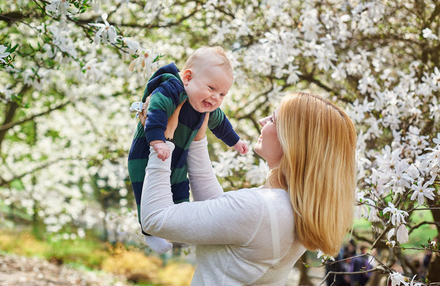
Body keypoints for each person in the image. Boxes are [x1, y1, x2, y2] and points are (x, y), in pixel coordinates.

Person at [140, 92, 357, 285]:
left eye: (273, 119)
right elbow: (221, 214)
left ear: (291, 140)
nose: (262, 121)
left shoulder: (260, 208)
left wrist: (163, 141)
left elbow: (155, 219)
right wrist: (198, 141)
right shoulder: (297, 209)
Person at [128, 46, 248, 253]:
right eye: (211, 88)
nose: (215, 98)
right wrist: (157, 141)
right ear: (188, 78)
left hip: (178, 158)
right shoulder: (173, 89)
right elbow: (155, 109)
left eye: (222, 94)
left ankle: (175, 230)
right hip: (146, 154)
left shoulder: (204, 108)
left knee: (181, 192)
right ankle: (149, 232)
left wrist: (235, 142)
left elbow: (221, 124)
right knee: (145, 192)